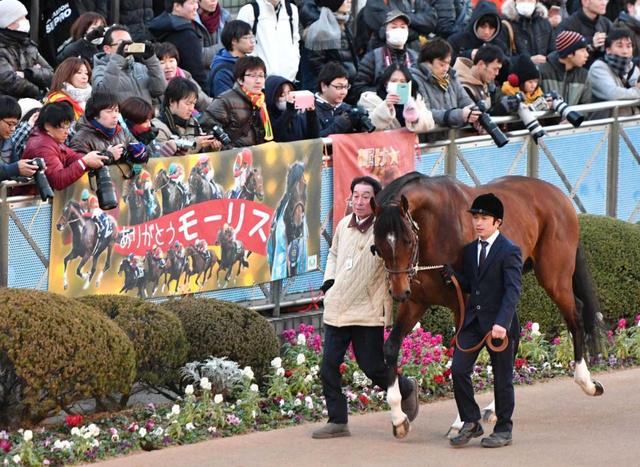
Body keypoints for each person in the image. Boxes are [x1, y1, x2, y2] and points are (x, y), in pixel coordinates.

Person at [312, 176, 419, 439]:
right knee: (328, 367)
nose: (359, 202)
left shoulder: (383, 229)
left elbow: (400, 254)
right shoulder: (342, 226)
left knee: (371, 367)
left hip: (366, 311)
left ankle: (405, 388)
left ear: (375, 200)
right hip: (337, 308)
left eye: (365, 196)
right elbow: (334, 255)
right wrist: (329, 283)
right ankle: (338, 421)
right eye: (355, 196)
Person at [441, 193, 523, 448]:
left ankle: (504, 429)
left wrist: (502, 323)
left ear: (497, 222)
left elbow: (512, 291)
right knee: (458, 370)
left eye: (484, 218)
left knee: (502, 378)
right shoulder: (469, 250)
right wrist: (453, 277)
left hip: (500, 326)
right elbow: (473, 286)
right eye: (476, 217)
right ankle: (471, 421)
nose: (478, 223)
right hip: (474, 323)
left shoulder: (510, 251)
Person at [21, 102, 109, 191]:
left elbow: (72, 156)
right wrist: (84, 162)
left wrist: (93, 158)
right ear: (48, 126)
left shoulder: (52, 139)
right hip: (32, 202)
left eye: (68, 127)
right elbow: (58, 180)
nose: (67, 132)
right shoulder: (42, 147)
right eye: (63, 127)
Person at [204, 56, 274, 147]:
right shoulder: (225, 100)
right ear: (240, 79)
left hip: (256, 156)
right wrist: (224, 148)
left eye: (261, 76)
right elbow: (207, 126)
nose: (258, 81)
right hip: (233, 157)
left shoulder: (261, 101)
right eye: (252, 76)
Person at [411, 39, 480, 128]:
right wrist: (456, 115)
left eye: (448, 63)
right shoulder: (415, 80)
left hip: (452, 137)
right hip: (427, 138)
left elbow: (464, 99)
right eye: (442, 64)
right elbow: (425, 112)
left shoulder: (451, 77)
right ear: (427, 63)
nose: (446, 68)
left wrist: (473, 112)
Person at [92, 24, 166, 104]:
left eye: (129, 43)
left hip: (146, 115)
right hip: (119, 116)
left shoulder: (140, 67)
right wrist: (118, 58)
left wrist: (151, 60)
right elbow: (104, 96)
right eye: (121, 43)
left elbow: (159, 90)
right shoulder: (100, 70)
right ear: (107, 49)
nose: (126, 46)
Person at [352, 10, 418, 98]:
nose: (399, 31)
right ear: (385, 31)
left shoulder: (415, 57)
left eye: (403, 27)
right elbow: (358, 89)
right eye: (394, 27)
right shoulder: (373, 58)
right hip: (380, 107)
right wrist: (382, 93)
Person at [149, 0, 209, 88]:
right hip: (185, 93)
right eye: (192, 3)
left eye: (196, 2)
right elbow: (196, 73)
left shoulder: (156, 26)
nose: (196, 6)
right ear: (177, 6)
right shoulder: (187, 36)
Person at [0, 0, 54, 99]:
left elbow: (51, 74)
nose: (26, 21)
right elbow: (10, 82)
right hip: (10, 106)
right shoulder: (2, 49)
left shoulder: (28, 45)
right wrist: (38, 90)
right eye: (22, 18)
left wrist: (28, 74)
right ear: (9, 23)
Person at [154, 77, 222, 155]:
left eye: (193, 103)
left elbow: (200, 158)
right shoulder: (158, 127)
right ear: (172, 101)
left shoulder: (193, 122)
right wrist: (195, 145)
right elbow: (163, 159)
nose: (192, 109)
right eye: (188, 103)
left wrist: (211, 148)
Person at [357, 64, 435, 131]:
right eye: (394, 81)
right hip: (383, 147)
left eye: (402, 81)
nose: (398, 84)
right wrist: (386, 106)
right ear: (386, 83)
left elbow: (429, 123)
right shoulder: (370, 99)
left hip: (408, 146)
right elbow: (370, 125)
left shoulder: (416, 99)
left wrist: (415, 118)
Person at [237, 0, 301, 81]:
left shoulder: (291, 9)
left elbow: (295, 40)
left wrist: (294, 67)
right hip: (259, 81)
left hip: (288, 80)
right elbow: (241, 46)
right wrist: (255, 71)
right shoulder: (249, 10)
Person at [303, 0, 358, 92]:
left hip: (347, 87)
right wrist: (337, 83)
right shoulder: (319, 30)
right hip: (329, 90)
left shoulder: (345, 25)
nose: (349, 1)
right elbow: (317, 65)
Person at [588, 27, 640, 117]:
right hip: (605, 126)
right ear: (608, 50)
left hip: (632, 124)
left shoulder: (632, 67)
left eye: (629, 46)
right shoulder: (598, 68)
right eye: (620, 46)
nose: (625, 51)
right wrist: (637, 91)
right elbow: (613, 94)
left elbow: (635, 84)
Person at [69, 93, 131, 158]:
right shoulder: (81, 139)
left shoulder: (122, 132)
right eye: (109, 111)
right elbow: (80, 164)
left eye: (116, 111)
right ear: (95, 115)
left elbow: (134, 145)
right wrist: (109, 155)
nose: (115, 116)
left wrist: (139, 154)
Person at [539, 31, 593, 105]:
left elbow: (585, 108)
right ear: (570, 53)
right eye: (582, 51)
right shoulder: (542, 71)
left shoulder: (584, 75)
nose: (587, 55)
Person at [447, 1, 511, 63]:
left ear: (497, 28)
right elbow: (446, 61)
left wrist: (498, 58)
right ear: (475, 24)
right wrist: (468, 55)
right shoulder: (456, 40)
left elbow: (509, 64)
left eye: (491, 28)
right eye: (483, 27)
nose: (486, 32)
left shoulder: (500, 46)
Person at [155, 42, 212, 112]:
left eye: (171, 61)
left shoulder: (185, 76)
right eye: (162, 63)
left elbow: (203, 100)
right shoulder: (154, 83)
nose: (168, 66)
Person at [556, 0, 613, 68]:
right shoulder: (568, 24)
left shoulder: (606, 23)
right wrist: (590, 44)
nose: (604, 2)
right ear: (585, 1)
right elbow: (559, 54)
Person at [208, 20, 255, 98]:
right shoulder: (223, 70)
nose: (252, 42)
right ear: (234, 41)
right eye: (246, 38)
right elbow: (226, 102)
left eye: (252, 37)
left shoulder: (248, 63)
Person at [265, 75, 319, 142]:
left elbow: (313, 138)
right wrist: (289, 111)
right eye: (282, 95)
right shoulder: (267, 117)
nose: (287, 98)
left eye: (289, 93)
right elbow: (276, 135)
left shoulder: (297, 116)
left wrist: (311, 114)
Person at [454, 44, 506, 113]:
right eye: (495, 69)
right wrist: (501, 108)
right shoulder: (463, 86)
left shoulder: (488, 83)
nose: (497, 73)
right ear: (481, 64)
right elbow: (474, 118)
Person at [314, 62, 362, 136]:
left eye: (346, 87)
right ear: (324, 86)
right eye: (339, 87)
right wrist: (340, 124)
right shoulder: (310, 111)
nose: (343, 92)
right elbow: (313, 141)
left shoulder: (346, 108)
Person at [0, 95, 38, 182]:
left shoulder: (7, 141)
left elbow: (14, 169)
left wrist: (29, 170)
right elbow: (13, 168)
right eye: (10, 124)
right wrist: (15, 169)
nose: (13, 129)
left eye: (15, 125)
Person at [45, 57, 93, 121]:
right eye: (79, 72)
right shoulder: (60, 102)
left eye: (86, 73)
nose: (84, 77)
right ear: (66, 74)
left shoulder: (87, 100)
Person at [198, 0, 232, 67]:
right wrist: (226, 45)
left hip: (223, 70)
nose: (214, 1)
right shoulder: (190, 19)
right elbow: (198, 57)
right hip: (200, 74)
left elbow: (234, 52)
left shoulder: (225, 16)